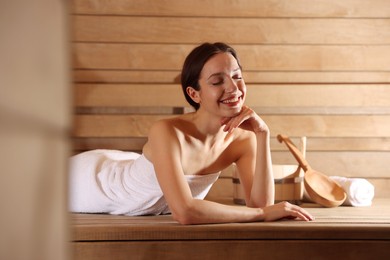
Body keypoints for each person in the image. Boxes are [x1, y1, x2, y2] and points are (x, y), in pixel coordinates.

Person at [69, 42, 314, 224]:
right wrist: (261, 214)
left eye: (237, 76)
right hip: (92, 182)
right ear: (194, 94)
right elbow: (185, 212)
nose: (233, 88)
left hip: (130, 165)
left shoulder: (243, 140)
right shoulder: (167, 131)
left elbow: (262, 206)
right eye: (217, 81)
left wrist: (263, 134)